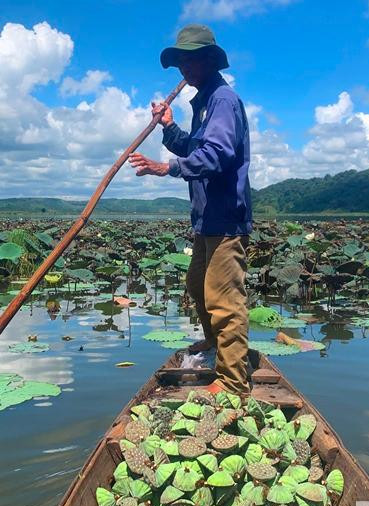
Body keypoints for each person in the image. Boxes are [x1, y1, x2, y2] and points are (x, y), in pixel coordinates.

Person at [128, 24, 252, 396]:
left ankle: (232, 383)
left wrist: (165, 168)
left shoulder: (223, 101)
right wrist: (168, 127)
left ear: (209, 61)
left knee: (224, 300)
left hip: (226, 218)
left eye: (190, 59)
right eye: (180, 60)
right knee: (197, 285)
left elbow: (216, 155)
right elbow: (194, 147)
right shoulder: (204, 104)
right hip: (206, 219)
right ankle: (215, 345)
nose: (183, 67)